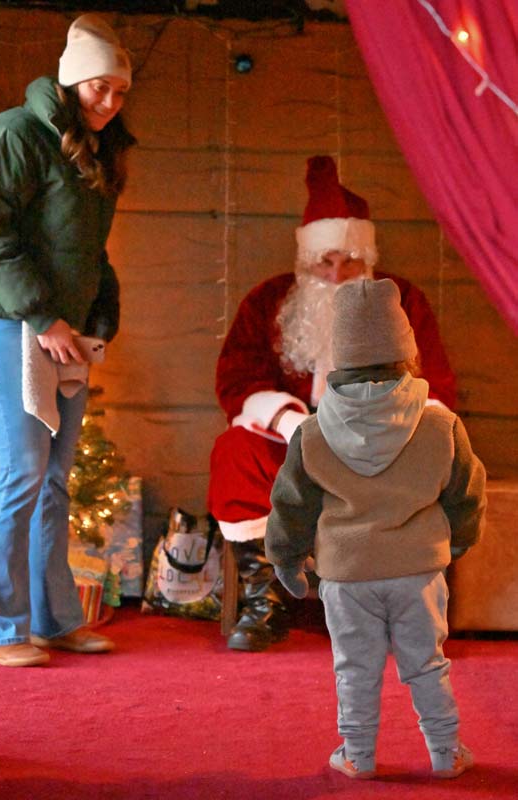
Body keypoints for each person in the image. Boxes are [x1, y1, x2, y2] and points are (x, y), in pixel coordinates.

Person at [208, 155, 457, 652]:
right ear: (306, 261)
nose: (337, 274)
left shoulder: (402, 301)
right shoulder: (269, 301)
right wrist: (287, 421)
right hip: (292, 444)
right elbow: (238, 379)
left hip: (379, 445)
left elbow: (434, 385)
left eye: (350, 261)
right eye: (325, 262)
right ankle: (266, 600)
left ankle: (385, 608)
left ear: (369, 260)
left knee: (423, 462)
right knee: (235, 451)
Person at [264, 277, 486, 779]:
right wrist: (457, 542)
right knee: (427, 664)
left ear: (339, 357)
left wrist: (286, 558)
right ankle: (446, 753)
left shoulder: (312, 434)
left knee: (355, 668)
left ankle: (358, 755)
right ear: (406, 349)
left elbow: (291, 506)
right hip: (418, 572)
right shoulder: (442, 426)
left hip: (347, 576)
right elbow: (467, 495)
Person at [0, 14, 136, 667]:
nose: (110, 101)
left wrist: (99, 316)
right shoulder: (14, 134)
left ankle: (54, 621)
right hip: (8, 323)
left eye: (120, 91)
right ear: (72, 82)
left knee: (54, 479)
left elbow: (89, 252)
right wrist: (42, 316)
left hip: (66, 334)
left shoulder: (94, 150)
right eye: (101, 87)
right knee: (21, 472)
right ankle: (1, 629)